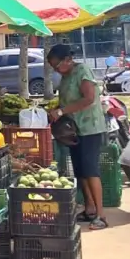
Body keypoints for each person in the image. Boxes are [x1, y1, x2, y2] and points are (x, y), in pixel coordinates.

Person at [47, 43, 110, 230]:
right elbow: (67, 99)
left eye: (57, 66)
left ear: (68, 60)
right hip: (74, 130)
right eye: (53, 68)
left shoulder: (83, 71)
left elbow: (89, 98)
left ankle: (101, 214)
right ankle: (89, 208)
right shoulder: (66, 77)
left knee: (91, 171)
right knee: (80, 171)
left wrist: (62, 111)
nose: (56, 70)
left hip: (90, 128)